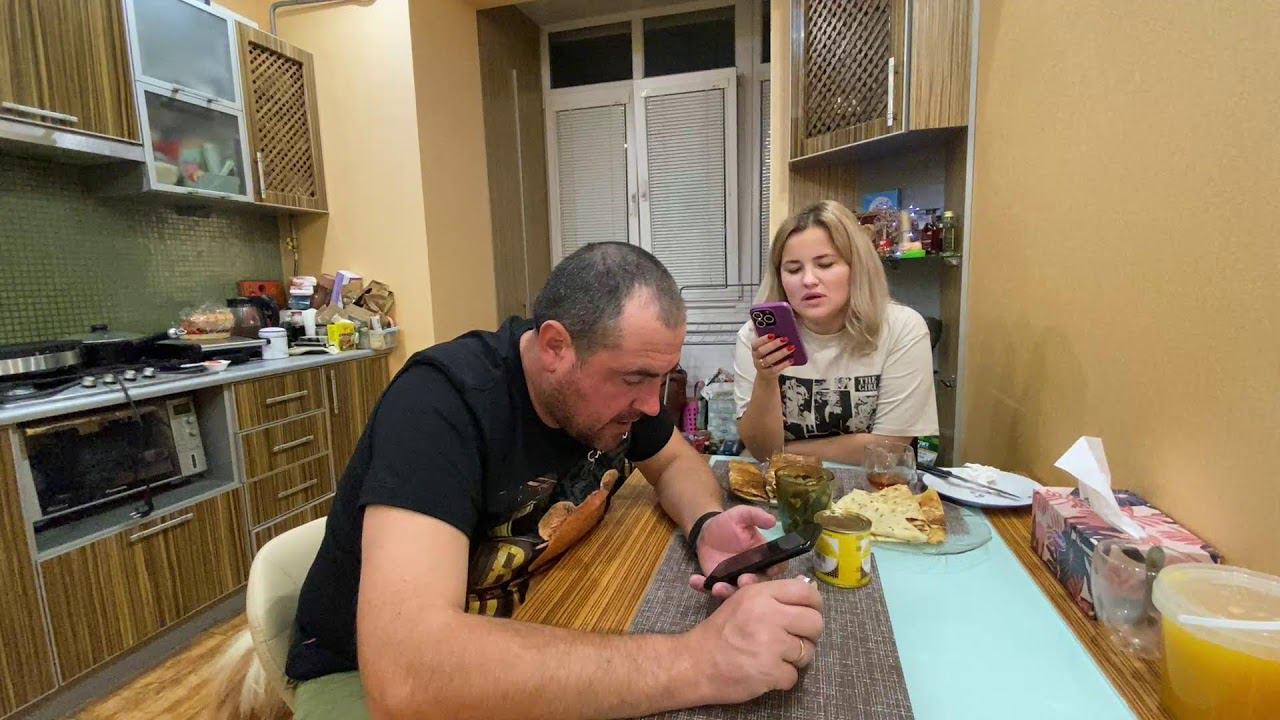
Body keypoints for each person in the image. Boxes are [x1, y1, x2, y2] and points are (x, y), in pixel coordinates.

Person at [211, 242, 824, 720]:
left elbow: (674, 463)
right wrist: (698, 662)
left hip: (520, 614)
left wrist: (707, 523)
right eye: (636, 378)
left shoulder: (618, 399)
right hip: (360, 673)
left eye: (662, 378)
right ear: (555, 347)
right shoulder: (440, 404)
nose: (650, 403)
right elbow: (407, 675)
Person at [735, 200, 939, 465]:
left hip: (869, 485)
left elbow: (890, 447)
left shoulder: (902, 328)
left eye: (826, 264)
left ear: (857, 267)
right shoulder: (757, 337)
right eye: (793, 269)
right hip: (780, 482)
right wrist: (766, 379)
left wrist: (784, 454)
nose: (808, 280)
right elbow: (761, 449)